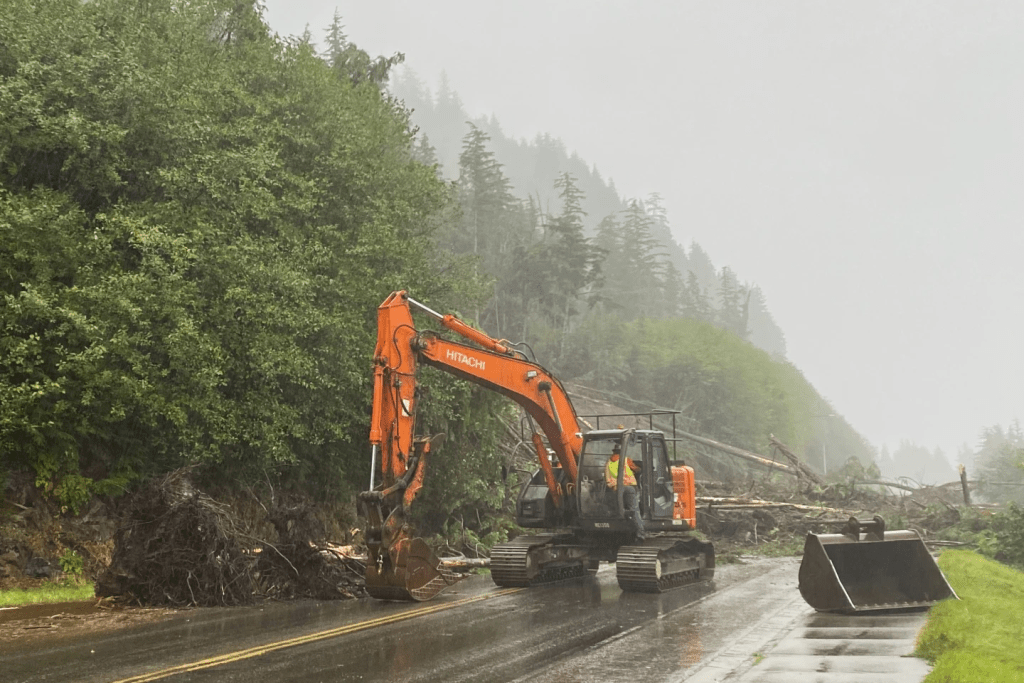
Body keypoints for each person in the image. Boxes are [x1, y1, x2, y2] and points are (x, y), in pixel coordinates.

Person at [605, 444, 646, 540]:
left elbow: (607, 477)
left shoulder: (609, 462)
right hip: (628, 487)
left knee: (619, 509)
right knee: (635, 509)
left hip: (615, 489)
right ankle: (641, 533)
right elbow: (636, 469)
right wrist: (639, 469)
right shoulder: (626, 460)